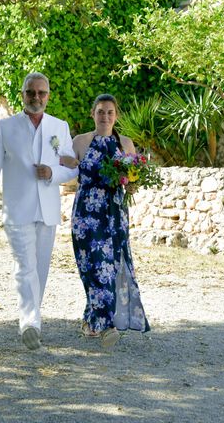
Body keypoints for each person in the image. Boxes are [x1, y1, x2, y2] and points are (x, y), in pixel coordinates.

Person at [0, 72, 78, 350]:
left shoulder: (60, 126)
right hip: (17, 209)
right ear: (23, 95)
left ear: (48, 96)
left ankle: (33, 320)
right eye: (31, 92)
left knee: (41, 269)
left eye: (41, 93)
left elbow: (72, 167)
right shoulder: (6, 127)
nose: (36, 98)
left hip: (47, 210)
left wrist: (52, 173)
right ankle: (29, 323)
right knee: (25, 267)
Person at [65, 93, 150, 348]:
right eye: (100, 111)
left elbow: (133, 182)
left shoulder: (126, 143)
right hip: (85, 216)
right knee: (90, 267)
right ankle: (96, 320)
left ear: (116, 116)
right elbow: (67, 175)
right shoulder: (79, 142)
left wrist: (132, 183)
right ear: (93, 114)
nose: (105, 116)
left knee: (109, 266)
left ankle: (103, 324)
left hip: (114, 214)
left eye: (110, 112)